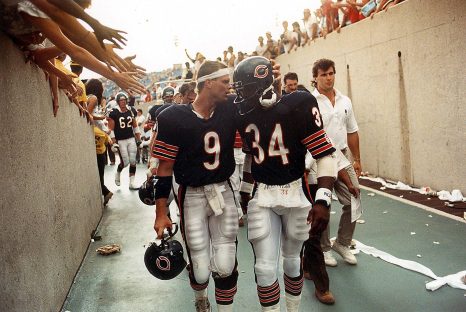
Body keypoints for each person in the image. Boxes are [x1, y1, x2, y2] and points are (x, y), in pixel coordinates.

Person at [232, 56, 337, 312]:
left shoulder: (299, 104)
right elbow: (249, 157)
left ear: (262, 84)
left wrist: (323, 200)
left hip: (295, 193)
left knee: (292, 263)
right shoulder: (245, 114)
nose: (241, 96)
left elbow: (325, 155)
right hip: (263, 196)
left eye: (244, 88)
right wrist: (245, 192)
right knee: (264, 268)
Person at [152, 61, 240, 312]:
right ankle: (200, 298)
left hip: (223, 189)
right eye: (224, 81)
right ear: (208, 82)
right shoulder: (173, 117)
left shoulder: (229, 109)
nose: (229, 87)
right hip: (191, 195)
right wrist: (161, 213)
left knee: (225, 262)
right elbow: (165, 169)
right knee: (200, 267)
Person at [311, 58, 362, 266]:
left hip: (342, 156)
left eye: (331, 73)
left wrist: (357, 159)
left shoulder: (345, 101)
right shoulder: (310, 102)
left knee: (354, 199)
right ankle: (323, 249)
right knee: (324, 202)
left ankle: (342, 243)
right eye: (323, 74)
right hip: (318, 158)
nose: (328, 78)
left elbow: (352, 131)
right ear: (315, 78)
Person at [107, 92, 142, 190]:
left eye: (124, 100)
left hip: (130, 138)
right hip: (120, 140)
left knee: (133, 161)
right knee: (125, 162)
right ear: (118, 102)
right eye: (121, 100)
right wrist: (114, 142)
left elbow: (135, 126)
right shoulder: (114, 112)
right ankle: (118, 172)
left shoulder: (131, 110)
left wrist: (139, 139)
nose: (123, 102)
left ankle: (132, 183)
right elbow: (111, 129)